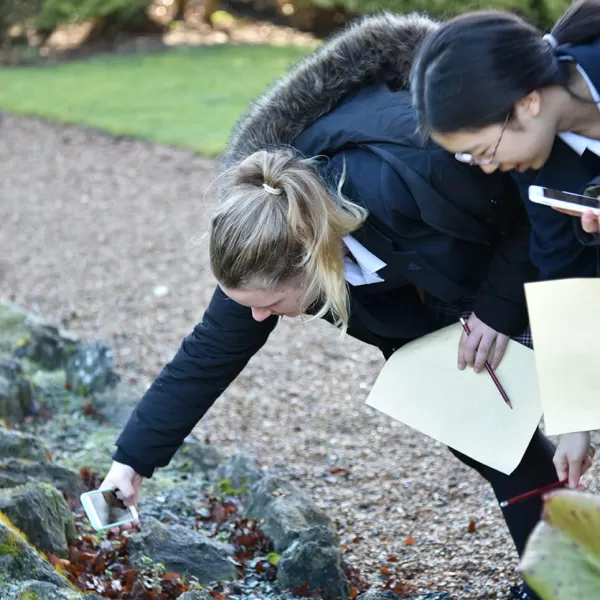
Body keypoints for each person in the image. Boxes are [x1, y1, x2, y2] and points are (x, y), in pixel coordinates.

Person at [100, 13, 576, 600]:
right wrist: (131, 463)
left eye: (270, 304)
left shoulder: (412, 172)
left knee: (582, 394)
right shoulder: (269, 241)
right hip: (433, 295)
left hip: (530, 261)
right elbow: (208, 353)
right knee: (483, 429)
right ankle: (560, 577)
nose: (258, 317)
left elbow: (536, 206)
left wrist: (496, 310)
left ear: (312, 261)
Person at [410, 0, 600, 278]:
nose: (488, 167)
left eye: (484, 151)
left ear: (527, 103)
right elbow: (559, 263)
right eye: (471, 158)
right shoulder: (534, 163)